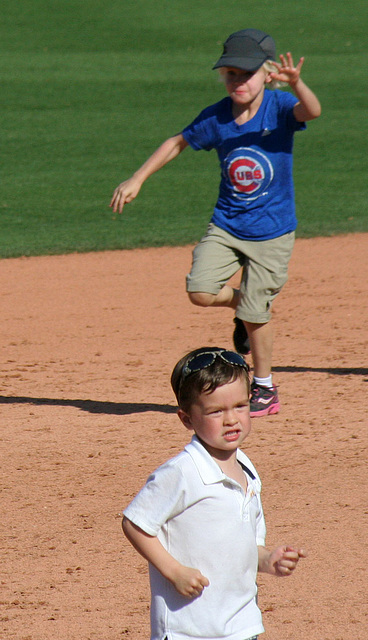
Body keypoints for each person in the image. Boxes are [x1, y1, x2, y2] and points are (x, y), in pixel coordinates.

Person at [110, 29, 321, 417]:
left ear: (267, 74)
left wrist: (297, 84)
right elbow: (178, 141)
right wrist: (137, 178)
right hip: (226, 225)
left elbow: (311, 111)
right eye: (230, 74)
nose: (238, 81)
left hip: (272, 232)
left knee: (258, 313)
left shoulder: (278, 107)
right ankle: (248, 309)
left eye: (246, 74)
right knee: (201, 290)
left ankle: (264, 387)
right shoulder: (217, 117)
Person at [122, 346, 306, 640]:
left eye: (241, 406)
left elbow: (246, 546)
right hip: (189, 629)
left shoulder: (246, 468)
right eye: (216, 411)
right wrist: (174, 571)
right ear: (186, 419)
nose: (231, 419)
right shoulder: (182, 472)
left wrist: (267, 559)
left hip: (242, 625)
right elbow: (135, 523)